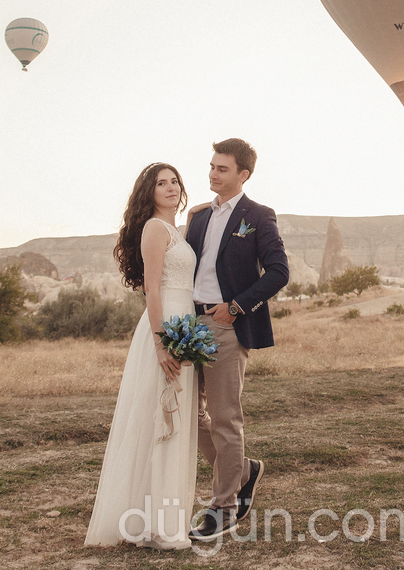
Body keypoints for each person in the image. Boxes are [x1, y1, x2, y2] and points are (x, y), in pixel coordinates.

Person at [85, 163, 200, 550]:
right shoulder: (154, 228)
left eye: (174, 182)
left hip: (184, 322)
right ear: (148, 192)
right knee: (160, 417)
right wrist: (161, 342)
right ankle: (158, 527)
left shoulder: (176, 230)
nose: (169, 188)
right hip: (165, 323)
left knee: (172, 418)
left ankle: (160, 522)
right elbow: (152, 290)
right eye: (160, 183)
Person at [184, 138, 290, 541]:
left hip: (227, 325)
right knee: (188, 413)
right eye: (211, 166)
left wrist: (236, 307)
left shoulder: (258, 216)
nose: (213, 173)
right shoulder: (197, 217)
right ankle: (242, 470)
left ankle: (224, 507)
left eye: (222, 169)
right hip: (189, 325)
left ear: (243, 174)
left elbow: (279, 272)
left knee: (226, 417)